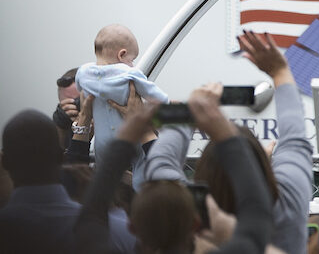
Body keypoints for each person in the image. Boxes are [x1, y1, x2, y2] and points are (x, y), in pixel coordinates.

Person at [144, 31, 313, 254]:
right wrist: (280, 72)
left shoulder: (186, 208)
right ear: (263, 164)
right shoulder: (288, 198)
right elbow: (295, 139)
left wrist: (189, 110)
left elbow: (159, 164)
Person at [74, 84, 273, 254]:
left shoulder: (89, 238)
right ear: (196, 223)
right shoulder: (250, 243)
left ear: (132, 226)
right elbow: (256, 210)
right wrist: (225, 133)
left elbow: (161, 166)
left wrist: (183, 116)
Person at [0, 108, 136, 254]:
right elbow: (130, 239)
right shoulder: (110, 230)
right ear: (61, 157)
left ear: (4, 162)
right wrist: (105, 205)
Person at [75, 24, 169, 189]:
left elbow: (80, 91)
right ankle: (139, 190)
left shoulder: (83, 74)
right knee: (142, 162)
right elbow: (157, 97)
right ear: (122, 54)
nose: (132, 64)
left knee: (105, 173)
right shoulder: (129, 74)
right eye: (132, 59)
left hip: (103, 144)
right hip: (132, 137)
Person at [53, 67, 81, 148]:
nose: (75, 106)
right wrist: (60, 127)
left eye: (79, 101)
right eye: (69, 102)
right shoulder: (61, 122)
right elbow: (54, 158)